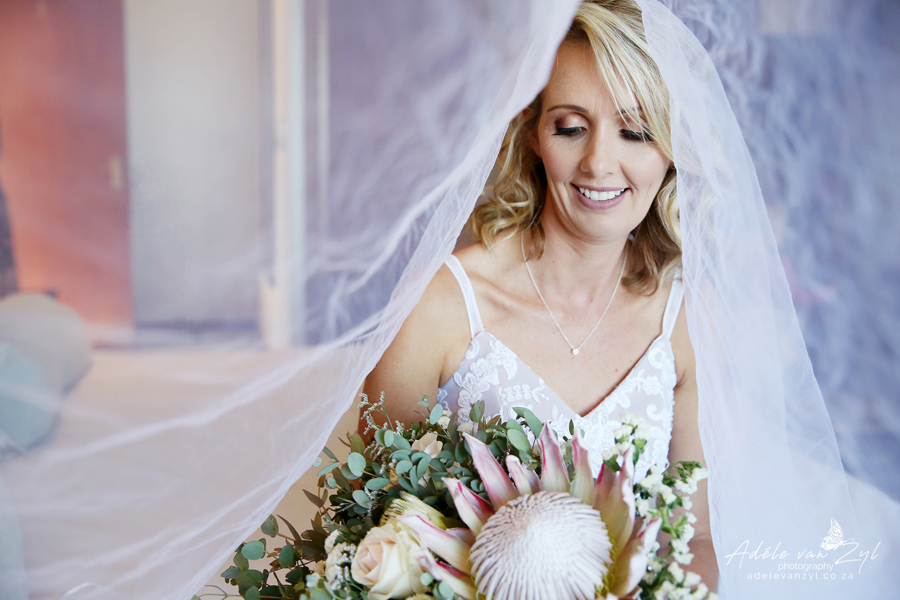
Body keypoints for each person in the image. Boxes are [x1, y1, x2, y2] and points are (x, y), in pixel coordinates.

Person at [364, 0, 718, 590]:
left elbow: (698, 539)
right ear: (533, 132)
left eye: (635, 132)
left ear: (673, 148)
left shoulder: (686, 319)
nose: (599, 162)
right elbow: (378, 521)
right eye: (571, 128)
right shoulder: (440, 306)